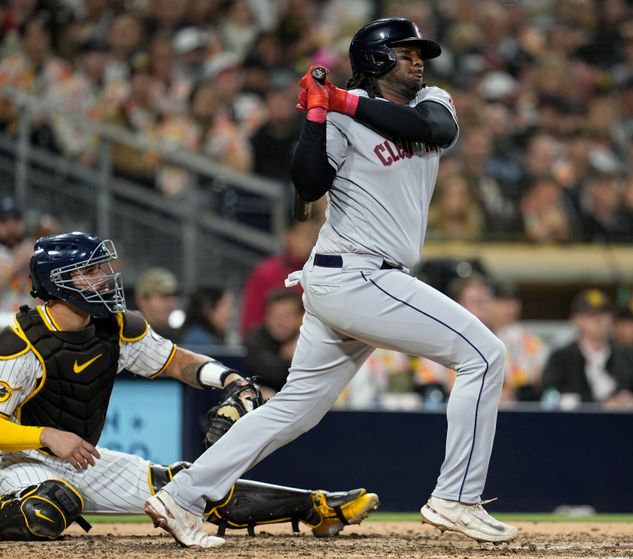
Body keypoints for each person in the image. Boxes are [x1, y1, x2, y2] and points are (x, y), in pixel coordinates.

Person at [148, 18, 518, 546]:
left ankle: (182, 495)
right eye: (406, 52)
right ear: (374, 59)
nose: (419, 61)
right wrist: (316, 115)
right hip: (357, 275)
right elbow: (307, 185)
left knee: (295, 409)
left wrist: (338, 101)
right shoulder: (340, 117)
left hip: (356, 280)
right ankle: (455, 497)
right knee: (484, 355)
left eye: (420, 53)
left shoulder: (431, 99)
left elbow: (436, 132)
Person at [0, 232, 378, 546]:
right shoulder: (20, 341)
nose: (105, 278)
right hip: (15, 464)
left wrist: (231, 379)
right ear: (57, 282)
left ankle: (317, 506)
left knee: (183, 486)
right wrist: (46, 435)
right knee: (46, 509)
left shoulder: (116, 327)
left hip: (75, 460)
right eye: (90, 271)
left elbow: (177, 362)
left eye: (103, 268)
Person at [542, 289, 633, 407]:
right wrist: (598, 404)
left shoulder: (629, 355)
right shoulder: (561, 358)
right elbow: (550, 396)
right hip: (576, 423)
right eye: (591, 315)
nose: (599, 320)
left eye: (604, 314)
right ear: (576, 320)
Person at [239, 217, 321, 336]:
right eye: (305, 235)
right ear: (289, 235)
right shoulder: (265, 273)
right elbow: (250, 325)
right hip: (270, 349)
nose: (311, 241)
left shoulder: (321, 274)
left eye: (315, 236)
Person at [242, 288, 304, 395]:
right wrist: (289, 359)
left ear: (301, 317)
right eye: (274, 315)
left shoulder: (309, 340)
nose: (279, 322)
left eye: (286, 316)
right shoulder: (255, 338)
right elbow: (269, 375)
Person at [133, 267, 181, 341]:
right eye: (163, 297)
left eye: (173, 296)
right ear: (142, 300)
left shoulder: (180, 336)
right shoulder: (129, 337)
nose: (171, 305)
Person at [177, 283, 232, 347]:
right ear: (209, 308)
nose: (230, 314)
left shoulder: (209, 338)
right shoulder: (196, 341)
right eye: (225, 306)